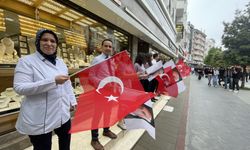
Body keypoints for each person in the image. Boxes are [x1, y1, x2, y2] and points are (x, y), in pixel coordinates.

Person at [13, 29, 77, 150]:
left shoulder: (60, 62)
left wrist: (72, 101)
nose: (49, 43)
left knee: (65, 142)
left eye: (53, 41)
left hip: (62, 111)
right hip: (40, 116)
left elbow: (67, 84)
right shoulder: (26, 61)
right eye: (45, 40)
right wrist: (53, 81)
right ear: (38, 42)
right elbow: (20, 87)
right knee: (43, 147)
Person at [90, 39, 117, 150]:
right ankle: (94, 139)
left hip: (111, 92)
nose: (108, 48)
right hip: (100, 91)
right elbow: (91, 77)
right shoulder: (97, 60)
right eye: (106, 46)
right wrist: (103, 84)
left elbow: (113, 74)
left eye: (110, 46)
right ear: (101, 47)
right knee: (97, 115)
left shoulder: (112, 60)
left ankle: (106, 130)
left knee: (108, 112)